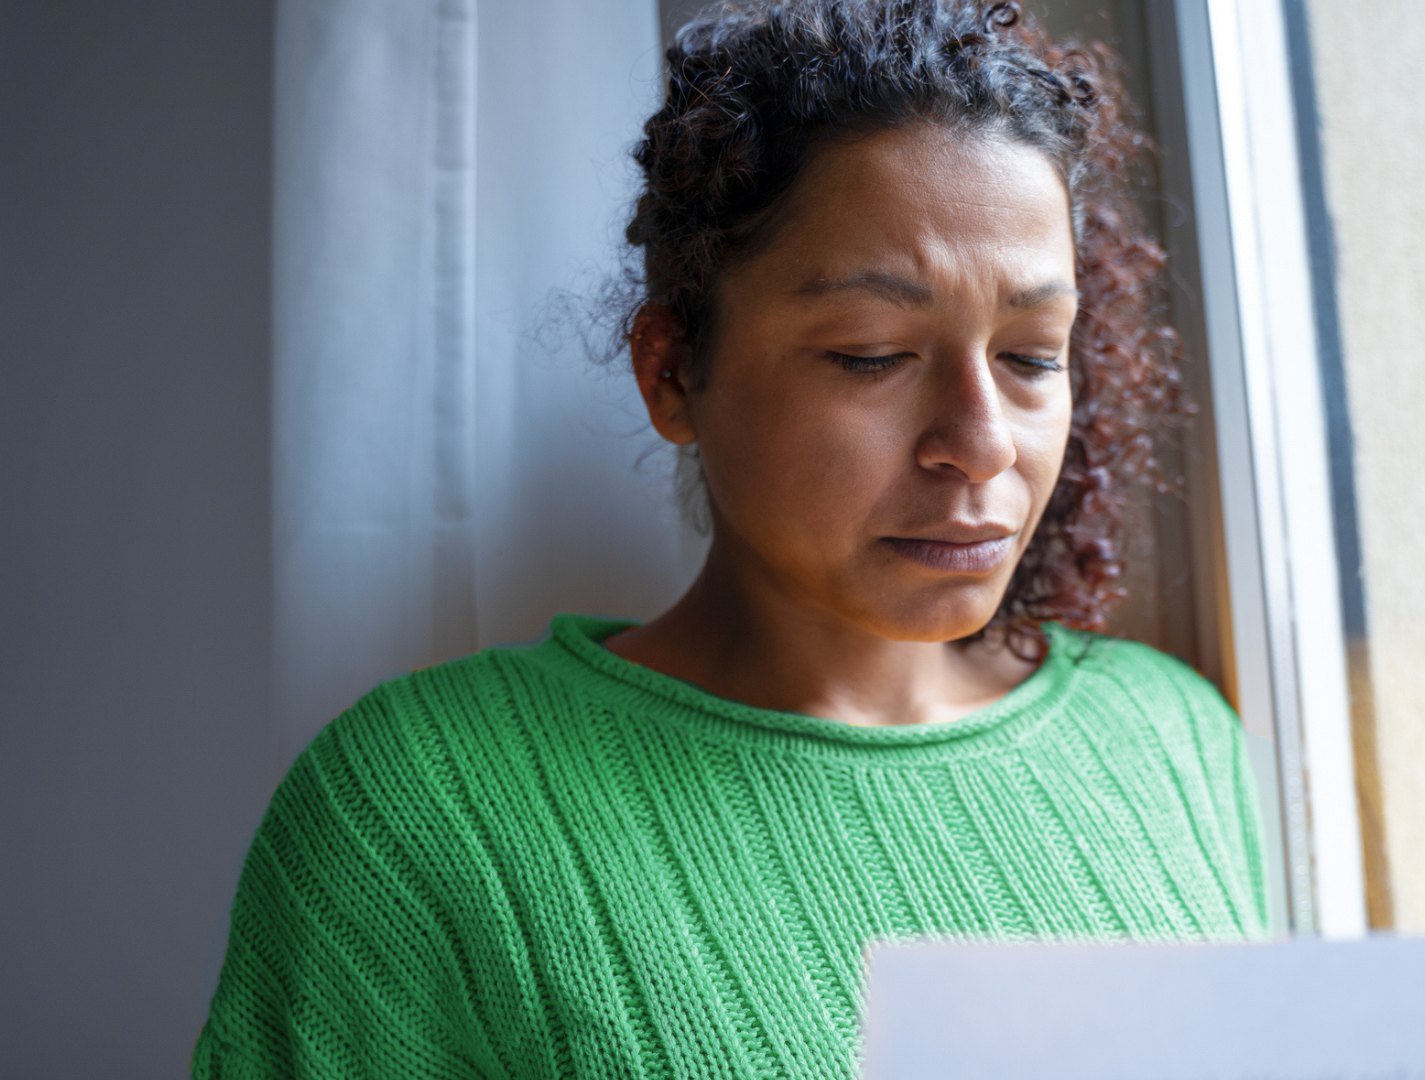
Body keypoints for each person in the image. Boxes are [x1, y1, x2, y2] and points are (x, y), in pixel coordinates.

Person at [191, 1, 1273, 1076]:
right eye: (870, 354)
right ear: (672, 371)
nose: (982, 444)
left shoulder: (1174, 740)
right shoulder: (416, 810)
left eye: (1034, 357)